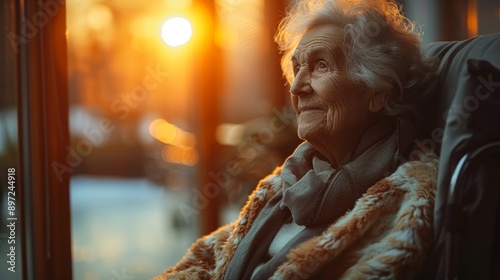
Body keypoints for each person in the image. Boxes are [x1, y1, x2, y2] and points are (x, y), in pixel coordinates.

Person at [155, 0, 438, 279]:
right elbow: (213, 264)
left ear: (378, 90)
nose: (298, 87)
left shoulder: (410, 201)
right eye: (297, 68)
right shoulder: (287, 182)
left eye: (320, 66)